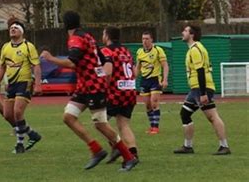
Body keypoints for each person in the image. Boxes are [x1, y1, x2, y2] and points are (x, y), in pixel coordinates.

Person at [40, 11, 138, 172]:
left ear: (65, 24)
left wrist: (50, 59)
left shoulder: (76, 39)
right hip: (84, 86)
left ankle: (128, 157)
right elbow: (103, 58)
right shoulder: (88, 36)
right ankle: (96, 150)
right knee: (68, 117)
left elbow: (72, 63)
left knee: (101, 125)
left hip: (93, 87)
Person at [173, 25, 231, 155]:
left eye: (185, 31)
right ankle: (188, 146)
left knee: (212, 116)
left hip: (201, 88)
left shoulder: (195, 49)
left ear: (192, 34)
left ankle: (224, 146)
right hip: (195, 89)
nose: (182, 32)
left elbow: (200, 71)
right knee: (185, 114)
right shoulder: (194, 49)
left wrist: (203, 93)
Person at [0, 20, 42, 154]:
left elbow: (36, 65)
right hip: (11, 84)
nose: (12, 29)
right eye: (11, 28)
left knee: (17, 112)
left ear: (22, 31)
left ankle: (19, 144)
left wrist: (38, 84)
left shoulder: (28, 46)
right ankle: (32, 134)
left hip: (24, 82)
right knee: (8, 115)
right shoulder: (5, 47)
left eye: (16, 27)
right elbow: (2, 66)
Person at [100, 26, 139, 163]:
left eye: (103, 34)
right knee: (123, 124)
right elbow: (135, 72)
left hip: (115, 93)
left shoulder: (106, 51)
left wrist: (103, 86)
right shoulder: (126, 51)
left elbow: (108, 72)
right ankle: (133, 153)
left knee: (100, 122)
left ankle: (118, 146)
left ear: (107, 36)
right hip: (130, 91)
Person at [134, 31, 169, 134]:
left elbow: (165, 65)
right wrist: (132, 78)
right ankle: (151, 126)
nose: (144, 41)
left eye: (147, 39)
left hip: (155, 79)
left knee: (154, 103)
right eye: (143, 39)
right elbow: (138, 68)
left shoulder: (158, 50)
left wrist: (165, 79)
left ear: (151, 40)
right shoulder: (139, 52)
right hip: (144, 80)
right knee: (148, 105)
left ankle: (155, 127)